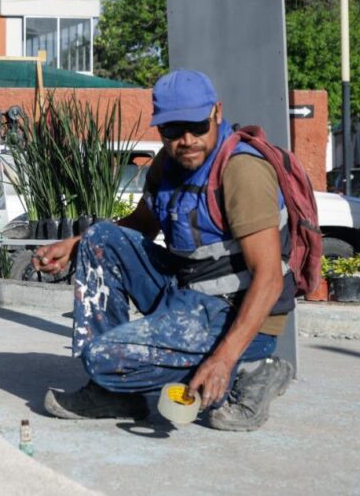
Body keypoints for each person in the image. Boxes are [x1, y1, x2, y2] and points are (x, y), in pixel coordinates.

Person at [34, 70, 295, 431]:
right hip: (187, 295)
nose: (186, 140)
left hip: (233, 315)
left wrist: (222, 359)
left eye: (197, 126)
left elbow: (269, 279)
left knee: (102, 358)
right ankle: (113, 394)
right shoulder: (168, 164)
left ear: (217, 113)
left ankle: (250, 370)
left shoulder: (241, 171)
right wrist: (75, 244)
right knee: (100, 237)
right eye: (172, 130)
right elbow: (140, 225)